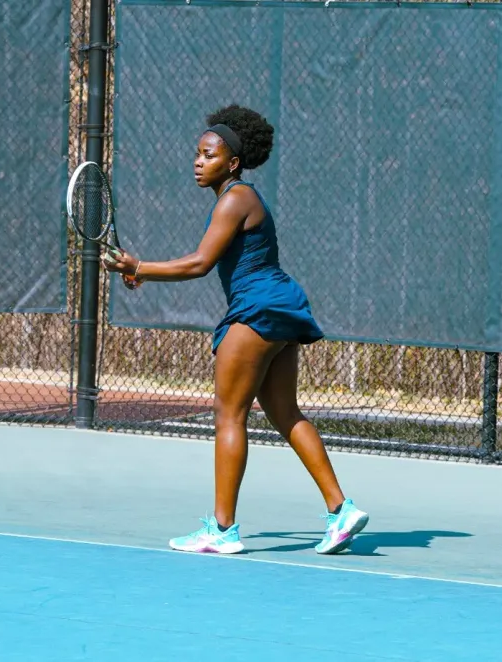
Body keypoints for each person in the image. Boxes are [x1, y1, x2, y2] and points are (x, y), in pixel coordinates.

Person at [101, 105, 369, 555]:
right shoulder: (242, 198)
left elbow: (200, 263)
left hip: (256, 310)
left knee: (229, 416)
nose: (198, 161)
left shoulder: (234, 198)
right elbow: (203, 260)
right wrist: (146, 272)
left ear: (233, 162)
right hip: (282, 307)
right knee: (285, 413)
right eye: (197, 153)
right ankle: (341, 510)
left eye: (208, 155)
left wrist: (141, 266)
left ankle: (222, 530)